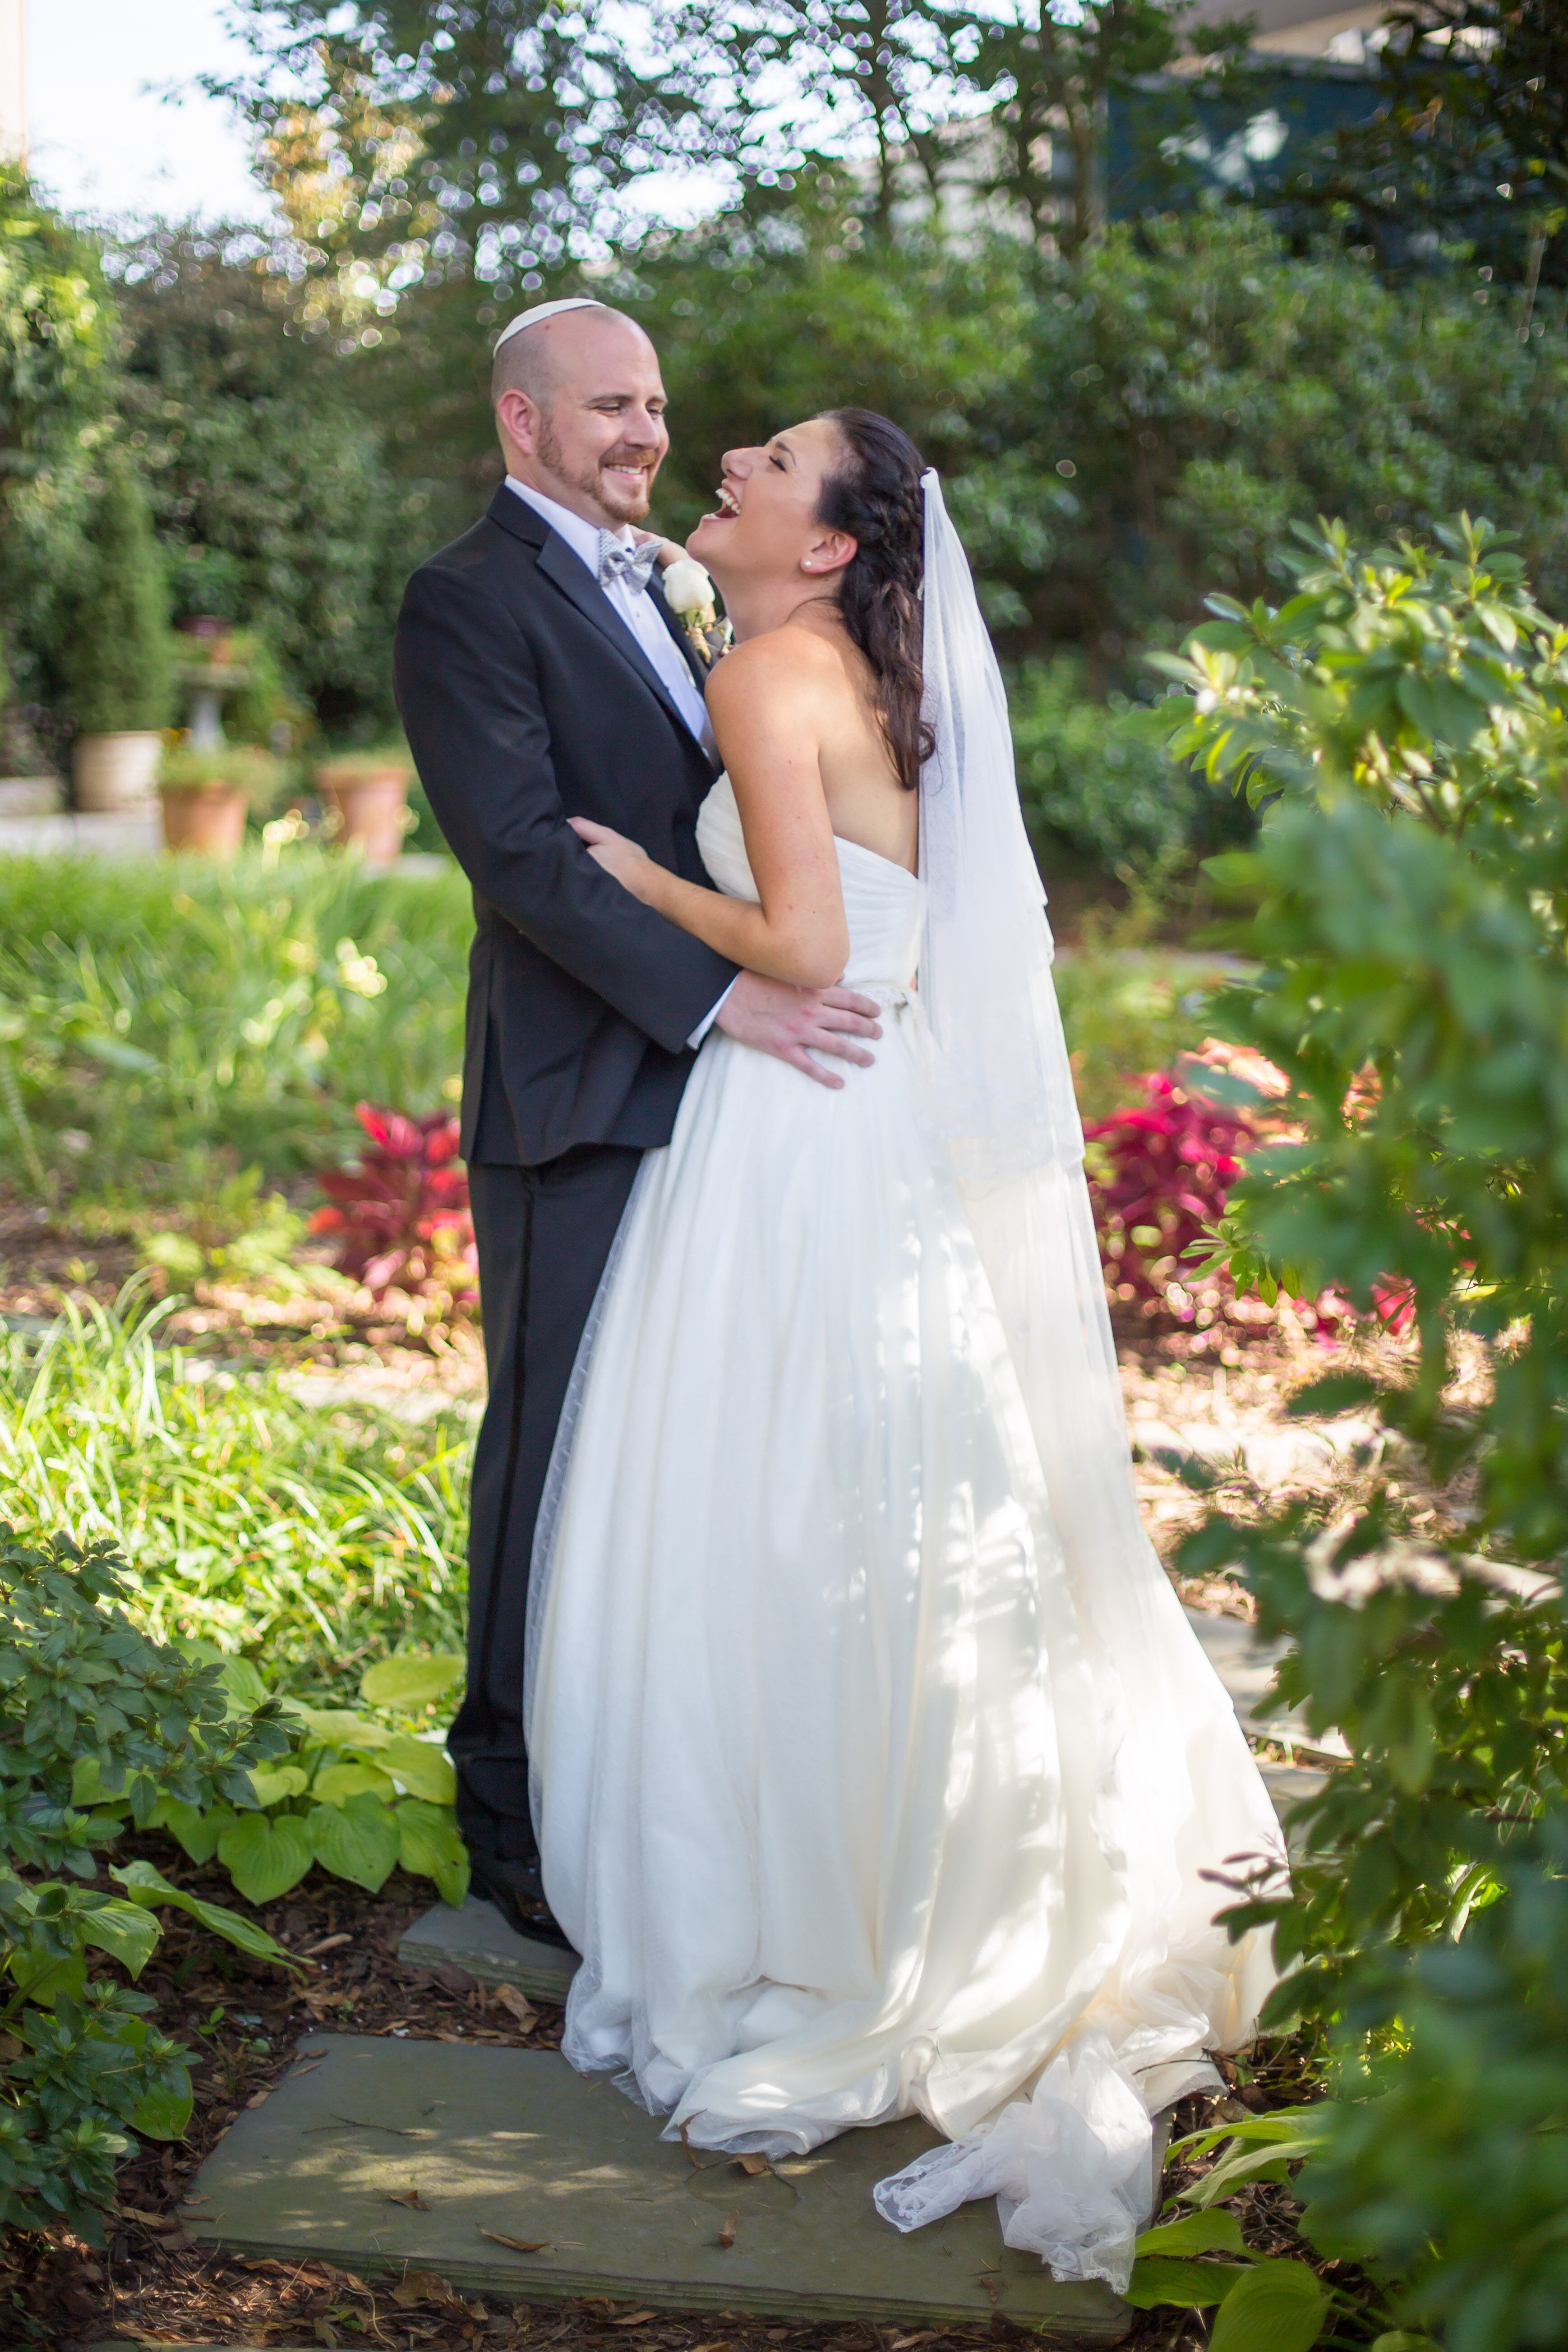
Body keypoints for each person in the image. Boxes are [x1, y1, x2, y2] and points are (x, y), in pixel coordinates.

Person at [524, 406, 1283, 2290]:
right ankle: (883, 1879)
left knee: (770, 1504)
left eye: (768, 459)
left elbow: (795, 942)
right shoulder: (834, 668)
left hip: (796, 1129)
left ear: (834, 542)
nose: (727, 460)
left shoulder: (774, 666)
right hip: (863, 1139)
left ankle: (805, 1914)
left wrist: (628, 883)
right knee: (875, 1506)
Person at [394, 301, 885, 1939]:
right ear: (520, 423)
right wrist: (720, 998)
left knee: (669, 1468)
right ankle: (516, 1825)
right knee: (551, 1451)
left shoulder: (686, 594)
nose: (646, 436)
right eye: (607, 408)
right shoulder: (465, 601)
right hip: (579, 1096)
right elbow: (524, 858)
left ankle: (651, 1789)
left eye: (658, 404)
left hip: (727, 1117)